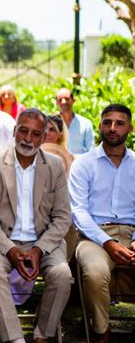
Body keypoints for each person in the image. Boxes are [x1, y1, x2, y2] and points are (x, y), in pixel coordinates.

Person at [0, 108, 72, 343]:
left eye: (36, 134)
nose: (28, 139)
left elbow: (62, 217)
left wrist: (39, 250)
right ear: (15, 131)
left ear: (44, 136)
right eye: (24, 131)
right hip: (0, 242)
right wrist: (10, 249)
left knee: (62, 274)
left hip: (43, 241)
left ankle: (42, 335)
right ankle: (15, 339)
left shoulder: (55, 166)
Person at [69, 103, 135, 342]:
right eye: (107, 122)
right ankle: (100, 331)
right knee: (95, 272)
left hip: (132, 233)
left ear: (130, 127)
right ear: (100, 126)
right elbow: (79, 211)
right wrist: (108, 242)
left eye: (119, 123)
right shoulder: (83, 164)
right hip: (93, 236)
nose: (113, 128)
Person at [55, 88, 94, 154]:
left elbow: (90, 151)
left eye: (66, 98)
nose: (63, 102)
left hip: (80, 163)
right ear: (56, 103)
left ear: (73, 100)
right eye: (60, 99)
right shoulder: (51, 124)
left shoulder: (85, 124)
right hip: (57, 163)